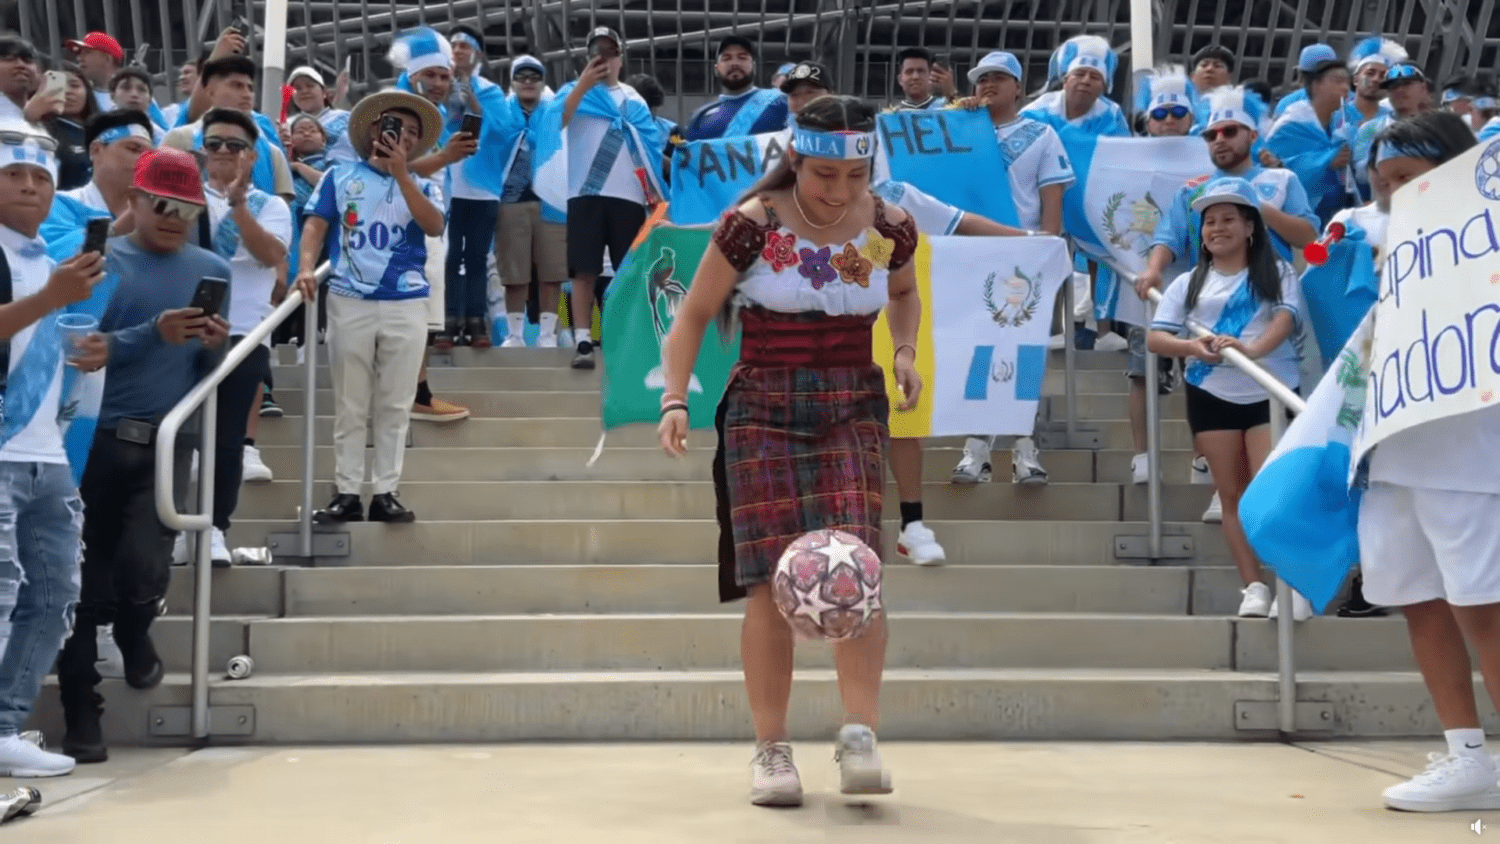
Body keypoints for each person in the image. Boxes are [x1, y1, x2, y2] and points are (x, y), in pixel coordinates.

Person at [657, 95, 918, 807]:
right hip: (763, 409)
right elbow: (694, 316)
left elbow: (902, 292)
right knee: (769, 586)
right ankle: (771, 752)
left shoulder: (891, 225)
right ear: (796, 160)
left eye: (854, 175)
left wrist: (902, 349)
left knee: (858, 576)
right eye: (824, 173)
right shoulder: (751, 226)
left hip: (851, 407)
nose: (839, 190)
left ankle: (860, 736)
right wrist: (675, 398)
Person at [56, 147, 232, 763]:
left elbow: (209, 370)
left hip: (164, 441)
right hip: (88, 439)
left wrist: (214, 345)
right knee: (77, 586)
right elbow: (78, 348)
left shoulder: (212, 267)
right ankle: (84, 717)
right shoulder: (98, 262)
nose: (173, 217)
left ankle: (134, 630)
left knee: (145, 568)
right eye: (162, 204)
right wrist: (148, 333)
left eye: (186, 208)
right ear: (133, 200)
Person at [1356, 112, 1500, 813]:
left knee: (1486, 609)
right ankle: (1467, 756)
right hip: (1395, 449)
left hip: (1470, 455)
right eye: (1383, 183)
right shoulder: (1384, 242)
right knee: (1416, 598)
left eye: (1407, 180)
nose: (1392, 195)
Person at [1137, 85, 1318, 522]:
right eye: (1212, 133)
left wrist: (1256, 207)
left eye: (1230, 130)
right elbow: (1168, 236)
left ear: (1252, 135)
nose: (1219, 139)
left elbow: (1309, 238)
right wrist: (1154, 270)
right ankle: (1221, 482)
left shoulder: (1282, 181)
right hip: (1215, 307)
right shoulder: (1193, 190)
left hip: (1273, 310)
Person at [0, 123, 106, 778]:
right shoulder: (42, 275)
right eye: (15, 175)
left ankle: (5, 723)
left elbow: (39, 343)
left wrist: (88, 354)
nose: (32, 186)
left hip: (48, 454)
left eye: (41, 177)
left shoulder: (50, 262)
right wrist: (49, 299)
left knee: (54, 592)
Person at [1146, 177, 1301, 618]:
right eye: (1209, 221)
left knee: (1272, 493)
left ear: (1250, 226)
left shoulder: (1278, 271)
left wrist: (1251, 351)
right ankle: (1253, 585)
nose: (1217, 228)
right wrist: (1193, 349)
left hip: (1269, 391)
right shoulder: (1188, 283)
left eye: (1228, 219)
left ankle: (1294, 585)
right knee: (1232, 495)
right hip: (1211, 394)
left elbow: (1285, 321)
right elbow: (1157, 338)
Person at [295, 89, 445, 525]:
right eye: (395, 128)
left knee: (395, 403)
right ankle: (346, 491)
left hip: (407, 299)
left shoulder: (426, 182)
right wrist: (306, 268)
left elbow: (434, 225)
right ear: (374, 130)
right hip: (349, 296)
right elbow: (315, 227)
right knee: (350, 400)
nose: (404, 137)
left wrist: (402, 175)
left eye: (413, 133)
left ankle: (385, 490)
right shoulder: (338, 176)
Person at [947, 51, 1074, 493]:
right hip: (970, 255)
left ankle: (1024, 446)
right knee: (977, 351)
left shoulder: (1041, 135)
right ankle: (976, 447)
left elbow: (1051, 198)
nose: (988, 85)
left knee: (1023, 353)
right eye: (982, 79)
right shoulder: (959, 129)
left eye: (999, 78)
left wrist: (1047, 249)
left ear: (1019, 87)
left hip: (1022, 257)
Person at [193, 109, 291, 560]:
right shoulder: (186, 200)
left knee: (228, 439)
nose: (225, 152)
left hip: (244, 336)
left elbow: (271, 253)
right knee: (179, 438)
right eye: (215, 144)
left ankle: (213, 527)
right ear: (202, 152)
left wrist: (237, 206)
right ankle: (176, 527)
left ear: (252, 156)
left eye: (235, 146)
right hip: (185, 330)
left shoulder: (271, 206)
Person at [558, 27, 666, 369]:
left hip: (628, 196)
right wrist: (582, 86)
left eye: (610, 51)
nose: (603, 58)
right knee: (583, 271)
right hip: (585, 192)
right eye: (596, 52)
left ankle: (629, 337)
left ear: (620, 58)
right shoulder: (572, 92)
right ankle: (583, 340)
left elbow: (651, 145)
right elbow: (555, 123)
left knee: (630, 270)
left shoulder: (634, 100)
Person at [493, 55, 566, 348]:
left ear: (542, 82)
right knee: (514, 271)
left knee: (552, 270)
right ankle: (515, 335)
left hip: (551, 203)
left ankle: (548, 335)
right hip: (510, 201)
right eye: (521, 76)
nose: (527, 82)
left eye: (534, 77)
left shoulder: (554, 114)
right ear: (512, 82)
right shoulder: (500, 114)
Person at [441, 24, 506, 348]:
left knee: (478, 256)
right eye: (453, 45)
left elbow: (503, 131)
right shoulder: (440, 86)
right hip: (447, 187)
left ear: (477, 53)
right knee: (450, 256)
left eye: (464, 45)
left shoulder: (491, 91)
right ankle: (449, 320)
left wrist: (473, 99)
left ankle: (476, 322)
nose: (458, 50)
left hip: (483, 190)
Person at [163, 56, 295, 202]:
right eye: (237, 86)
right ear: (210, 91)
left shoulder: (272, 152)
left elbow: (282, 212)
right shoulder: (180, 139)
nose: (247, 95)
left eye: (250, 88)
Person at [1266, 44, 1355, 225]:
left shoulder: (1347, 107)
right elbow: (1274, 167)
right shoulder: (1292, 116)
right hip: (1302, 214)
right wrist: (1326, 161)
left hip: (1340, 208)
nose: (1344, 87)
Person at [681, 35, 788, 141]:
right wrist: (674, 140)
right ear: (716, 69)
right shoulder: (700, 116)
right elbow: (684, 152)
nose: (734, 63)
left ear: (754, 67)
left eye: (742, 57)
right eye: (727, 58)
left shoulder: (780, 101)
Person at [42, 63, 98, 192]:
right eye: (59, 86)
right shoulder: (41, 131)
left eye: (74, 85)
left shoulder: (105, 131)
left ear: (87, 90)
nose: (67, 92)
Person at [62, 31, 123, 111]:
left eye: (87, 52)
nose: (79, 58)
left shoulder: (129, 97)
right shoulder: (78, 97)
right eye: (79, 53)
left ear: (107, 59)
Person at [107, 66, 168, 141]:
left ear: (150, 100)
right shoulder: (99, 132)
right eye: (126, 87)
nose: (134, 94)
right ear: (112, 96)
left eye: (142, 89)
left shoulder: (161, 139)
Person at [888, 47, 953, 111]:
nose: (915, 77)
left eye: (921, 71)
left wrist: (952, 94)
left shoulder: (946, 107)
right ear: (900, 79)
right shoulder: (892, 115)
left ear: (930, 75)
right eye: (909, 71)